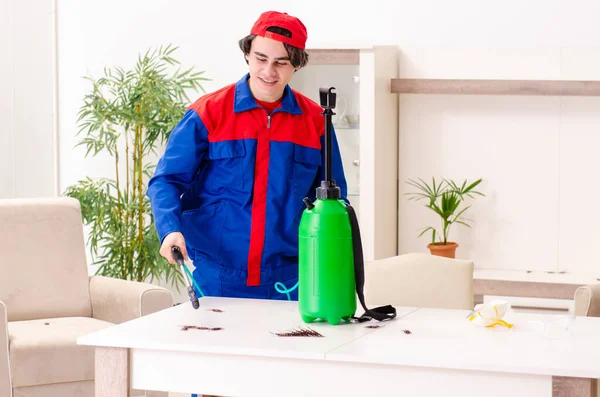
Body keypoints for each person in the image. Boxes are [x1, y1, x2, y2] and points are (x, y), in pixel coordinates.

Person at [147, 10, 347, 303]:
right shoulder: (208, 114)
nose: (269, 71)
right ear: (247, 54)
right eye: (261, 58)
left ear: (297, 65)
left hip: (292, 281)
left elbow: (335, 202)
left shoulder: (316, 121)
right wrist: (169, 230)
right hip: (216, 277)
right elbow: (165, 181)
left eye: (281, 62)